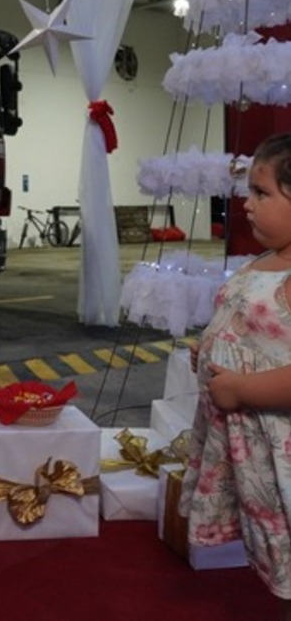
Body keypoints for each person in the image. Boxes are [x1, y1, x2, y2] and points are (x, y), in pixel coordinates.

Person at [180, 133, 291, 621]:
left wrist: (242, 388)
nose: (247, 205)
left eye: (263, 193)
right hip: (254, 454)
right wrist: (211, 352)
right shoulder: (264, 262)